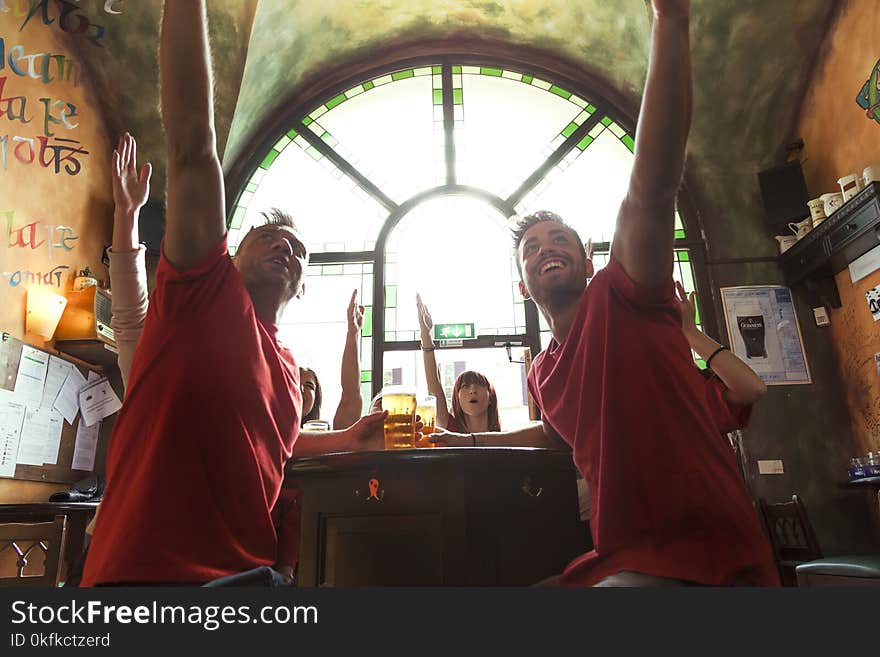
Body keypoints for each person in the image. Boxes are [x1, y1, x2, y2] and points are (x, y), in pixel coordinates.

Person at [434, 0, 778, 586]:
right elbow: (553, 433)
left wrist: (670, 22)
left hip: (703, 555)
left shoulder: (624, 296)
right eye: (532, 247)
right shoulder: (543, 371)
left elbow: (652, 186)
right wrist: (460, 440)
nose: (546, 248)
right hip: (624, 553)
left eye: (559, 238)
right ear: (523, 284)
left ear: (588, 259)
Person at [81, 1, 386, 586]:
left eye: (297, 251)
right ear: (230, 253)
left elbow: (281, 448)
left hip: (248, 579)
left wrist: (348, 436)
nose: (286, 250)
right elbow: (194, 146)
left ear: (301, 287)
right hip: (146, 579)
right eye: (268, 238)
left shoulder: (291, 370)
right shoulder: (203, 291)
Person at [416, 294, 501, 433]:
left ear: (490, 396)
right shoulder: (450, 427)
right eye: (465, 386)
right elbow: (434, 385)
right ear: (457, 398)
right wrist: (426, 335)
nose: (472, 390)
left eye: (479, 385)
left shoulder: (504, 438)